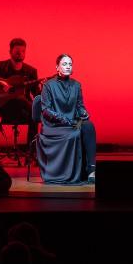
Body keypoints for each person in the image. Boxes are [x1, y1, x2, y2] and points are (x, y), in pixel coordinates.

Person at [36, 54, 97, 184]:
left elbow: (80, 106)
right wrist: (66, 120)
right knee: (74, 133)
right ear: (57, 67)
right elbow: (46, 110)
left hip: (73, 121)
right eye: (64, 64)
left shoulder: (76, 85)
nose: (68, 66)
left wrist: (83, 113)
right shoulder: (48, 85)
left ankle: (91, 169)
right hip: (54, 125)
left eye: (70, 64)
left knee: (88, 126)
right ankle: (71, 173)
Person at [0, 38, 41, 146]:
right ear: (10, 52)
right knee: (27, 105)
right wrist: (0, 84)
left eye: (23, 51)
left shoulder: (31, 71)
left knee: (33, 113)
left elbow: (36, 94)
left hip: (23, 108)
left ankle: (31, 151)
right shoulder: (2, 67)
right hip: (4, 107)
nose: (20, 54)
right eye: (17, 51)